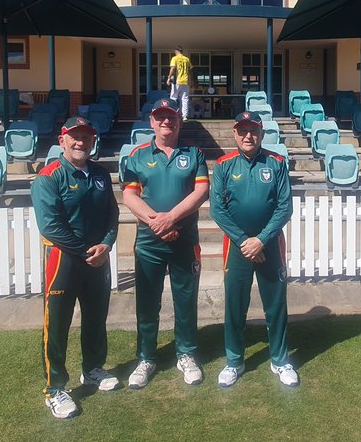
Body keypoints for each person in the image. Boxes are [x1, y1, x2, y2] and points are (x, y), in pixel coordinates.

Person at [31, 116, 121, 419]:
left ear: (93, 141)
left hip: (97, 258)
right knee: (57, 325)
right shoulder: (49, 176)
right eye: (75, 137)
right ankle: (54, 388)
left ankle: (92, 368)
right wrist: (85, 252)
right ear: (62, 141)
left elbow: (112, 212)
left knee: (96, 318)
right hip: (64, 261)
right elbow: (51, 226)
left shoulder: (99, 174)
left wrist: (106, 244)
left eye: (86, 136)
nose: (81, 142)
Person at [120, 98, 210, 388]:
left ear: (179, 121)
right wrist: (156, 222)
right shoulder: (137, 155)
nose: (166, 122)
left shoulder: (194, 153)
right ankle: (146, 357)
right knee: (147, 303)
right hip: (149, 241)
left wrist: (170, 218)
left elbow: (202, 191)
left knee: (186, 301)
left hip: (185, 240)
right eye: (160, 117)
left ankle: (186, 354)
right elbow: (129, 196)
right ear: (151, 122)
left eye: (171, 117)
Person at [210, 111, 298, 387]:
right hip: (236, 247)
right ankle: (234, 361)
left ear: (261, 134)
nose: (248, 136)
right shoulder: (224, 165)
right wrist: (244, 241)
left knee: (275, 306)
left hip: (270, 245)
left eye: (254, 131)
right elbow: (217, 209)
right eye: (243, 130)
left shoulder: (277, 162)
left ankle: (281, 360)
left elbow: (285, 207)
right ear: (235, 133)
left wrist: (261, 239)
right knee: (235, 306)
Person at [167, 46, 192, 119]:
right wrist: (192, 80)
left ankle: (173, 113)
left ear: (176, 51)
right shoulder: (187, 59)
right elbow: (191, 70)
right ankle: (185, 116)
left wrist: (169, 78)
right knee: (185, 99)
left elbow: (173, 68)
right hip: (185, 81)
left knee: (173, 97)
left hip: (176, 81)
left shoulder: (174, 58)